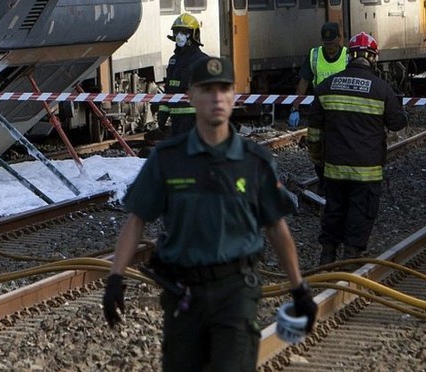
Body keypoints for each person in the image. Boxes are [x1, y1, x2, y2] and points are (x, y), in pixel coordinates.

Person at [101, 55, 317, 371]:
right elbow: (137, 220)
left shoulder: (253, 162)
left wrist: (299, 289)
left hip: (236, 292)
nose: (217, 97)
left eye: (224, 89)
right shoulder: (168, 159)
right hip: (183, 294)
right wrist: (115, 279)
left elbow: (276, 227)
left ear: (233, 96)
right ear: (191, 96)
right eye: (207, 89)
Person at [307, 32, 407, 265]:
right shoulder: (381, 89)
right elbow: (396, 123)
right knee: (361, 211)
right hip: (367, 168)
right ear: (373, 58)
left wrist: (317, 158)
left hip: (334, 167)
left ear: (349, 56)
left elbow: (314, 130)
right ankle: (351, 255)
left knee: (334, 208)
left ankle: (328, 255)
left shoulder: (326, 87)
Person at [290, 22, 348, 190]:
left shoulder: (348, 56)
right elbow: (304, 82)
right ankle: (323, 179)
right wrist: (295, 108)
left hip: (342, 110)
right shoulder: (314, 55)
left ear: (339, 39)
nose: (329, 46)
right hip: (320, 108)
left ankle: (336, 181)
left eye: (332, 42)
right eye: (326, 43)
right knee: (315, 146)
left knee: (339, 147)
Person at [158, 13, 207, 137]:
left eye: (184, 32)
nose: (179, 36)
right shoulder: (174, 60)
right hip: (176, 120)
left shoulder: (202, 61)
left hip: (195, 120)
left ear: (193, 34)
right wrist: (162, 114)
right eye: (177, 32)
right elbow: (169, 89)